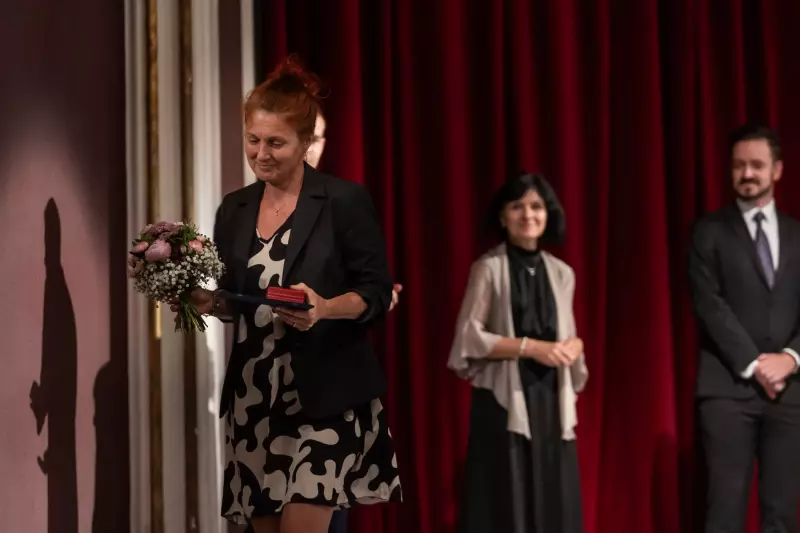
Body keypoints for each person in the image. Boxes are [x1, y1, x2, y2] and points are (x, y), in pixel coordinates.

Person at [177, 56, 403, 533]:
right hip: (254, 397)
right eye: (252, 139)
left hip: (323, 396)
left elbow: (376, 292)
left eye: (275, 142)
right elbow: (237, 300)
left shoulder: (343, 201)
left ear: (305, 143)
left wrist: (324, 307)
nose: (261, 153)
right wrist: (208, 302)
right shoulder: (234, 209)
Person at [447, 173, 588, 533]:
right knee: (507, 498)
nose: (528, 214)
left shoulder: (562, 273)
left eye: (536, 206)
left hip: (551, 399)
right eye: (517, 206)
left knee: (554, 495)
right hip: (504, 400)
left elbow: (567, 334)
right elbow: (469, 338)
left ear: (548, 214)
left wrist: (576, 346)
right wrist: (531, 348)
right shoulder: (488, 268)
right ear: (503, 216)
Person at [688, 124, 800, 533]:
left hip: (790, 393)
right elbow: (708, 305)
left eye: (756, 165)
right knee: (725, 512)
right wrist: (756, 365)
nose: (747, 174)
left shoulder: (798, 235)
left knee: (782, 514)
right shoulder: (708, 232)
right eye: (738, 165)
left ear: (777, 170)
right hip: (727, 390)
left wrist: (790, 359)